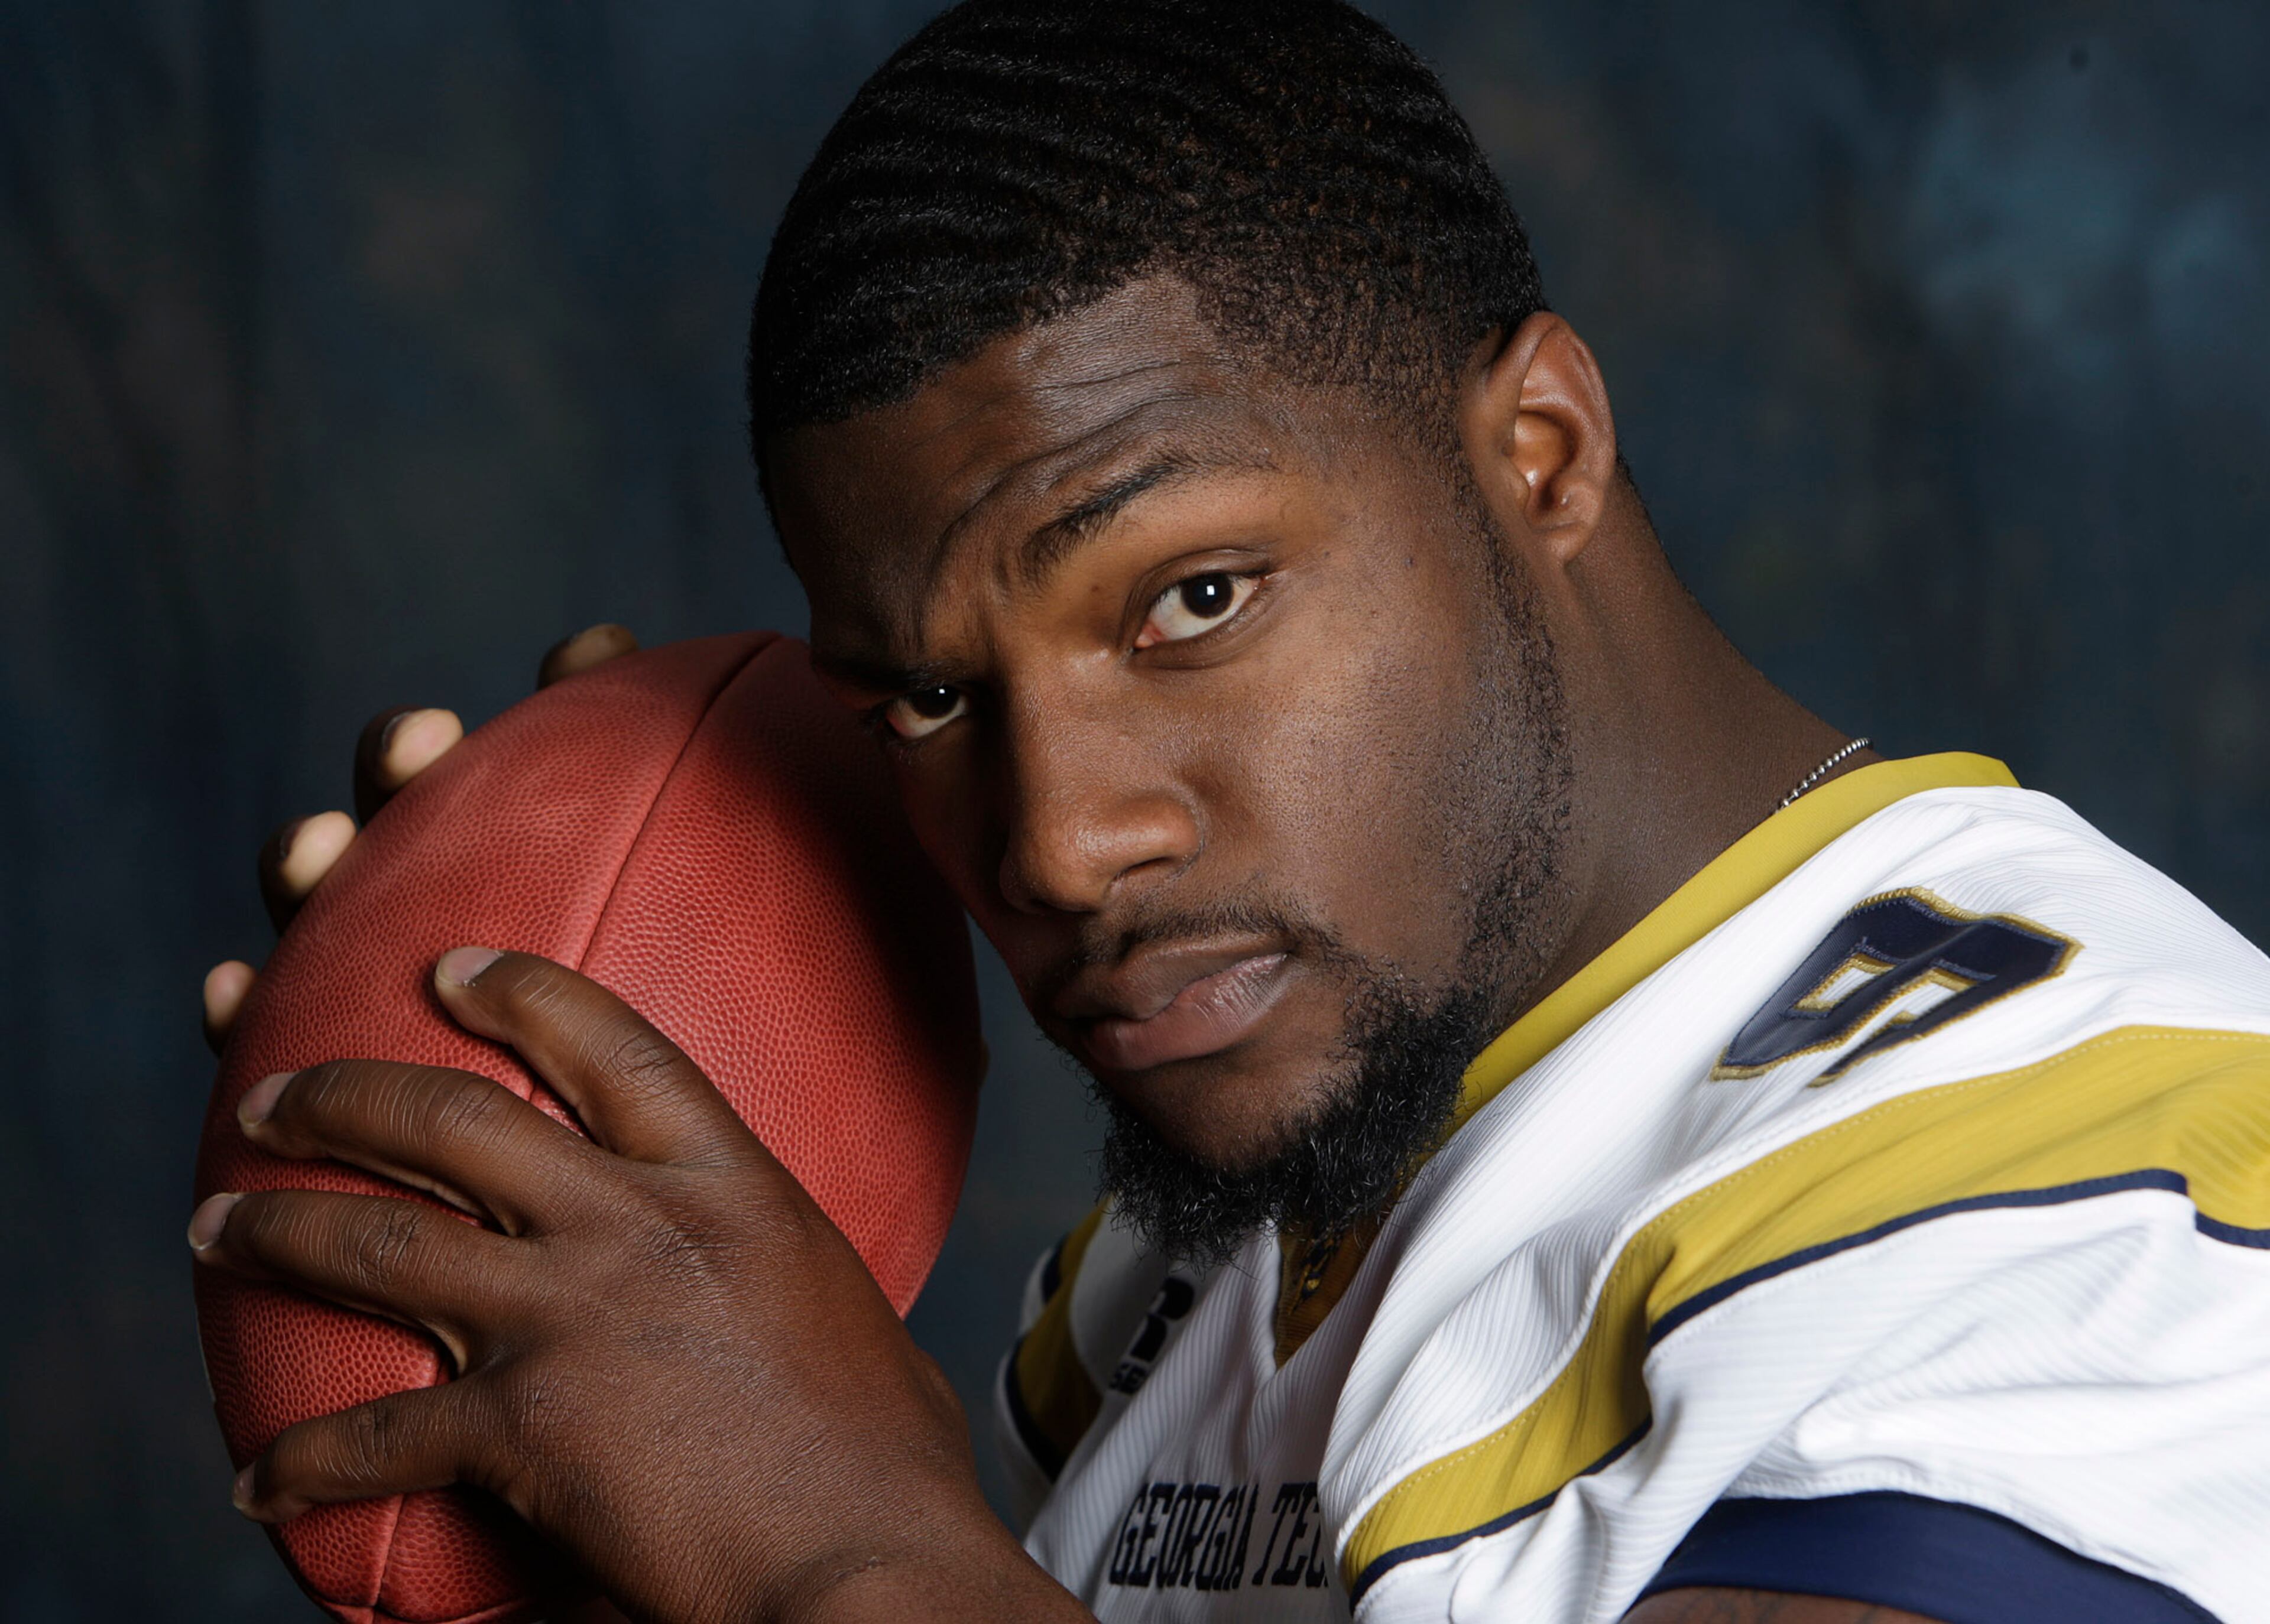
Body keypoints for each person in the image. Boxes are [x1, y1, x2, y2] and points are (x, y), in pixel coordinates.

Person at [188, 2, 2270, 1620]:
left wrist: (841, 1549)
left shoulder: (2095, 1195)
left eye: (1192, 599)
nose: (1056, 842)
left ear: (1542, 452)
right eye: (929, 696)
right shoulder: (1239, 1193)